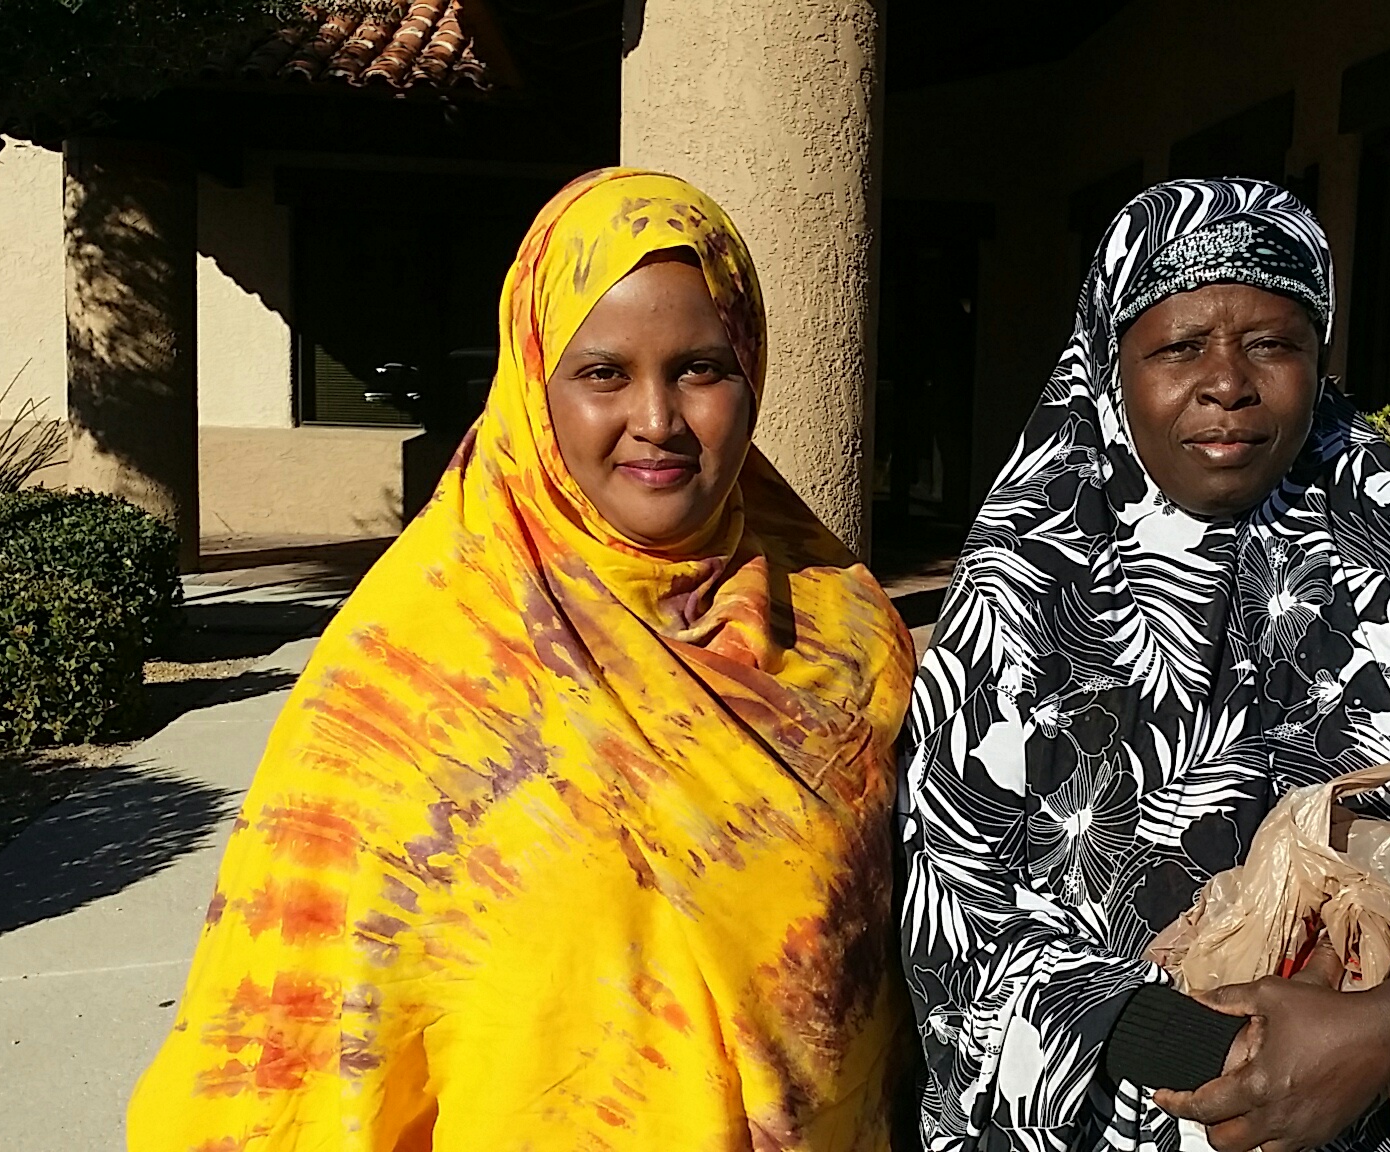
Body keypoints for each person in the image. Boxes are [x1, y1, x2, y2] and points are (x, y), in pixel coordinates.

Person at [128, 170, 916, 1151]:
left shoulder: (846, 636)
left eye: (700, 368)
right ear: (532, 384)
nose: (658, 420)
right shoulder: (406, 679)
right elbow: (277, 1066)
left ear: (751, 370)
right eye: (601, 374)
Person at [898, 178, 1390, 1152]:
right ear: (1108, 367)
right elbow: (956, 898)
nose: (1226, 383)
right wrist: (1202, 1056)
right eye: (1177, 346)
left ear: (1317, 356)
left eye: (1271, 343)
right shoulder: (1022, 600)